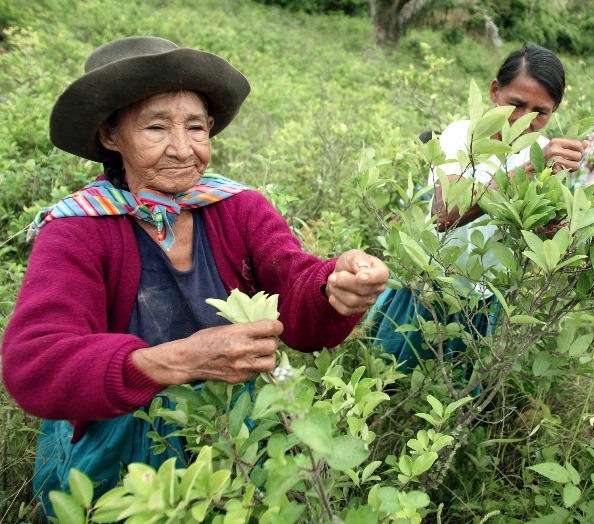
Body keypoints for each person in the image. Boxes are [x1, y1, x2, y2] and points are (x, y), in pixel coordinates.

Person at [0, 36, 389, 516]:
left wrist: (333, 286)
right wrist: (176, 361)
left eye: (196, 128)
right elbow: (35, 361)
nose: (182, 149)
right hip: (121, 437)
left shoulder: (239, 207)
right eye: (156, 127)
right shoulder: (79, 229)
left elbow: (292, 283)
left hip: (235, 427)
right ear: (109, 135)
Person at [368, 42, 587, 372]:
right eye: (516, 104)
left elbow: (535, 231)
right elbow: (444, 216)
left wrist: (561, 223)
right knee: (391, 372)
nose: (524, 120)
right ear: (495, 91)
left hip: (485, 295)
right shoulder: (464, 136)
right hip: (433, 279)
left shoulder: (545, 150)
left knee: (455, 385)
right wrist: (528, 170)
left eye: (540, 112)